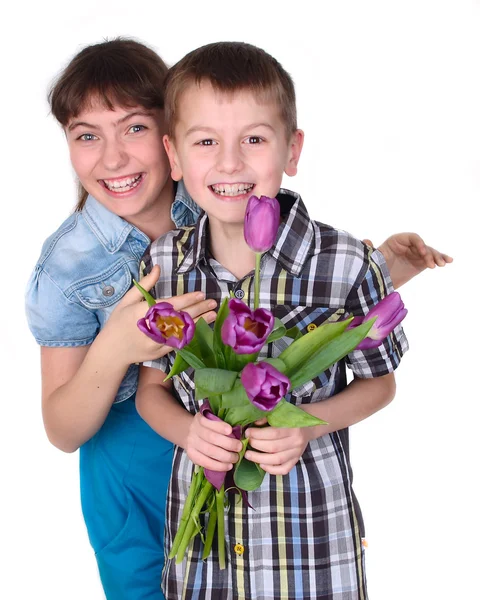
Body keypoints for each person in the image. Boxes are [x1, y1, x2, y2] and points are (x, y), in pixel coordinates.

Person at [25, 38, 451, 600]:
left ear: (166, 137)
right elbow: (64, 428)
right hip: (139, 456)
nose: (114, 157)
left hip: (265, 477)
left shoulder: (213, 198)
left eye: (134, 127)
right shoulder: (80, 264)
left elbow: (299, 297)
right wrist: (115, 346)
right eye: (87, 135)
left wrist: (381, 270)